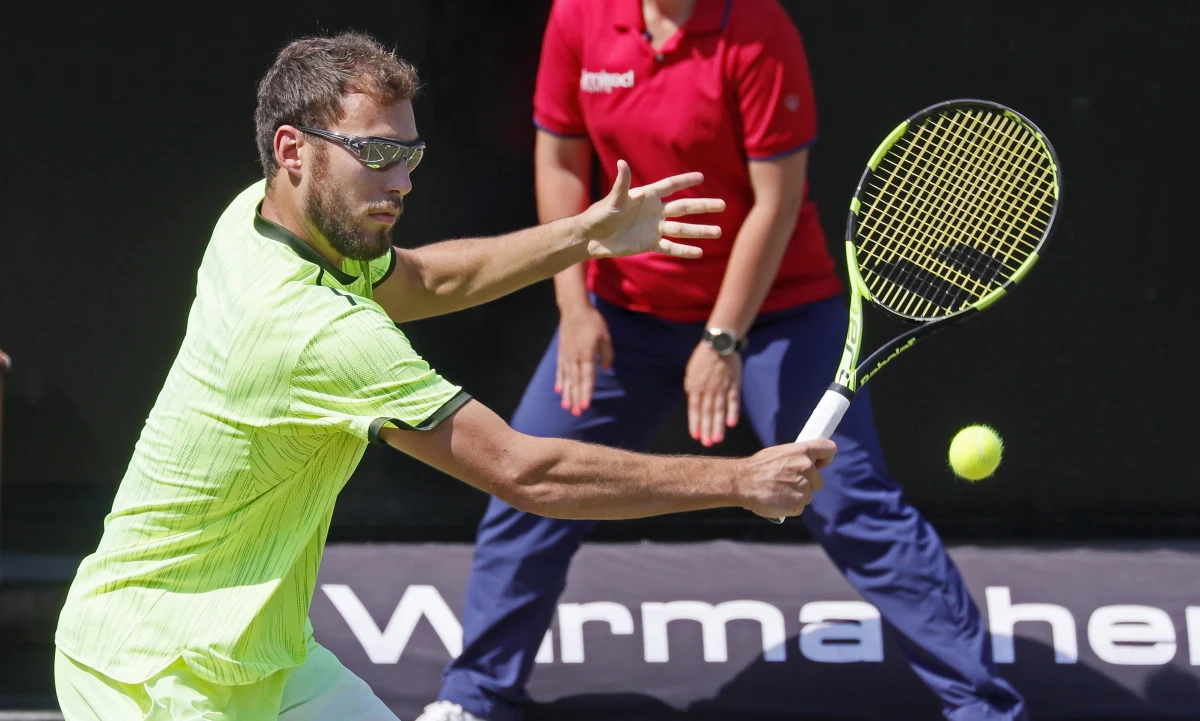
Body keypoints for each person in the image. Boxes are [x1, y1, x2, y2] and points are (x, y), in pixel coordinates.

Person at [51, 31, 836, 721]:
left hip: (265, 655)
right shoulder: (315, 333)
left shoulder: (256, 217)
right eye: (374, 154)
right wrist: (740, 479)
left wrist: (585, 235)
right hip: (149, 670)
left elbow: (426, 282)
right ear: (294, 151)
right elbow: (528, 473)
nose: (401, 182)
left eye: (409, 154)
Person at [417, 2, 1029, 721]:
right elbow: (559, 159)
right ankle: (475, 695)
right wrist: (575, 305)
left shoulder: (759, 31)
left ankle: (985, 710)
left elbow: (777, 200)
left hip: (777, 313)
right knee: (527, 484)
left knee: (852, 502)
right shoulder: (579, 16)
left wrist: (724, 337)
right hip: (620, 311)